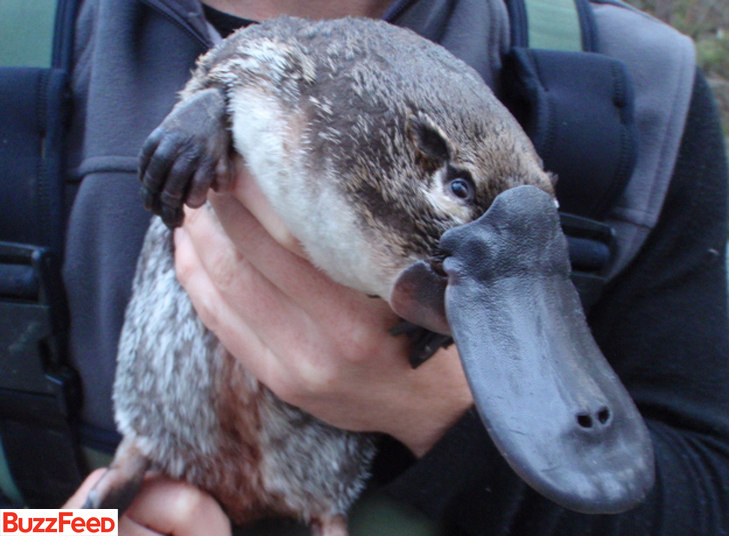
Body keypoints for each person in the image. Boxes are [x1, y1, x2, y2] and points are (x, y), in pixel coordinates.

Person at [56, 0, 729, 535]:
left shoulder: (644, 89)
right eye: (458, 192)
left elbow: (710, 503)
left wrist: (448, 415)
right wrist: (47, 533)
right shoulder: (24, 44)